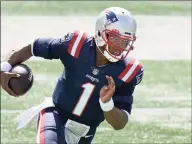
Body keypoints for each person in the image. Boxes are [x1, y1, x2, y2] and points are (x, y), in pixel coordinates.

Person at [1, 7, 144, 144]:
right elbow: (33, 46)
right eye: (115, 39)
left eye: (125, 42)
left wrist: (107, 104)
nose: (119, 47)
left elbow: (120, 124)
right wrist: (4, 67)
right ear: (101, 32)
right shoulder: (76, 45)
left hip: (84, 133)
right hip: (55, 114)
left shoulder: (128, 71)